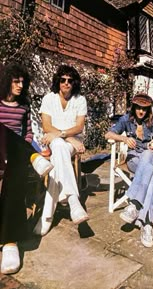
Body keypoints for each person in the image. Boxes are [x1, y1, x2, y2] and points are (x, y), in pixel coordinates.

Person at [0, 62, 53, 274]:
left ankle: (10, 242)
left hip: (15, 155)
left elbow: (28, 134)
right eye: (16, 81)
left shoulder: (23, 106)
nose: (20, 85)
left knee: (15, 174)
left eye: (23, 82)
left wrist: (36, 147)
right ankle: (33, 158)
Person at [33, 65, 89, 236]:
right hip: (57, 142)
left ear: (74, 83)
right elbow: (46, 126)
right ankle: (73, 200)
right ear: (58, 81)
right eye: (63, 80)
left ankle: (46, 217)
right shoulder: (49, 99)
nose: (66, 83)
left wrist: (64, 135)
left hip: (70, 143)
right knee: (57, 147)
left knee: (59, 147)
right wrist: (66, 137)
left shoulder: (80, 100)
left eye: (70, 80)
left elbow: (79, 127)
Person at [105, 93, 153, 248]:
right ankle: (148, 225)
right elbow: (108, 134)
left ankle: (135, 207)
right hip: (132, 160)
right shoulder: (126, 119)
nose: (141, 112)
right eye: (138, 108)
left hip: (149, 156)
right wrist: (124, 139)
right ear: (134, 107)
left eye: (144, 109)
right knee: (151, 173)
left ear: (149, 109)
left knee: (147, 156)